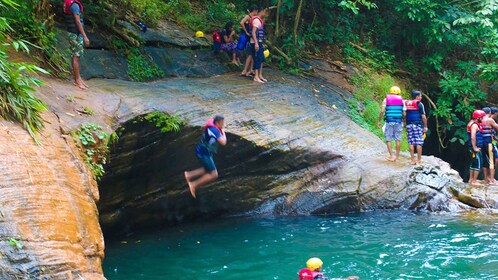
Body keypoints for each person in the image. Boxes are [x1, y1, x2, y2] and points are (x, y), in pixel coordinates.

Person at [184, 116, 227, 198]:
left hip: (202, 151)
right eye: (222, 123)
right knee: (214, 174)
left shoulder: (213, 126)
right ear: (217, 123)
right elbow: (223, 142)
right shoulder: (214, 130)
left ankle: (189, 175)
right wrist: (223, 133)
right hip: (204, 153)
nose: (223, 125)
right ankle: (193, 184)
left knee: (207, 168)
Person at [63, 0, 90, 90]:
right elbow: (78, 21)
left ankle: (78, 79)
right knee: (76, 57)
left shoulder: (69, 3)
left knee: (75, 55)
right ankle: (77, 81)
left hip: (72, 32)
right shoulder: (74, 5)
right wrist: (85, 36)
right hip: (76, 34)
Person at [377, 86, 406, 162]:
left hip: (389, 121)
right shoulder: (402, 101)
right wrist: (404, 121)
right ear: (398, 93)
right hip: (398, 121)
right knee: (398, 139)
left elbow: (382, 111)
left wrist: (379, 121)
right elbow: (404, 114)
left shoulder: (386, 99)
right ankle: (397, 157)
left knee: (388, 138)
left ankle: (391, 156)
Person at [404, 90, 428, 165]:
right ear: (417, 96)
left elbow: (404, 114)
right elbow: (423, 117)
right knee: (418, 142)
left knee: (411, 142)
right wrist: (425, 126)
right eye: (420, 96)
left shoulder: (407, 103)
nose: (421, 97)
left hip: (409, 125)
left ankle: (412, 160)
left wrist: (405, 123)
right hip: (417, 125)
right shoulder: (419, 104)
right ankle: (419, 160)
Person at [480, 107, 498, 185]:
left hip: (482, 142)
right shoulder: (489, 120)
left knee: (485, 161)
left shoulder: (480, 120)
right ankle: (491, 180)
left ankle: (486, 179)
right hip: (489, 142)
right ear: (490, 113)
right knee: (492, 161)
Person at [467, 110, 486, 186]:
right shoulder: (474, 125)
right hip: (475, 148)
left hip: (472, 147)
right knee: (478, 163)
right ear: (478, 118)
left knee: (473, 163)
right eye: (481, 117)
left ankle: (471, 179)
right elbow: (473, 137)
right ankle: (474, 181)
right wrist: (475, 147)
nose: (482, 119)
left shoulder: (471, 123)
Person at [240, 5, 258, 77]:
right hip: (248, 37)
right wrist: (246, 31)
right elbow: (241, 23)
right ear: (255, 11)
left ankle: (250, 69)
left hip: (250, 36)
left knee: (252, 54)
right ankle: (245, 70)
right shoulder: (248, 17)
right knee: (250, 54)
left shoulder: (253, 18)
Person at [251, 7, 268, 83]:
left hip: (259, 42)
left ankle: (260, 75)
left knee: (261, 58)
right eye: (265, 11)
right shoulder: (256, 20)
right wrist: (256, 43)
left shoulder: (259, 20)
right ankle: (256, 76)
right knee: (257, 59)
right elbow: (253, 32)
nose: (265, 13)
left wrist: (261, 43)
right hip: (255, 42)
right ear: (262, 11)